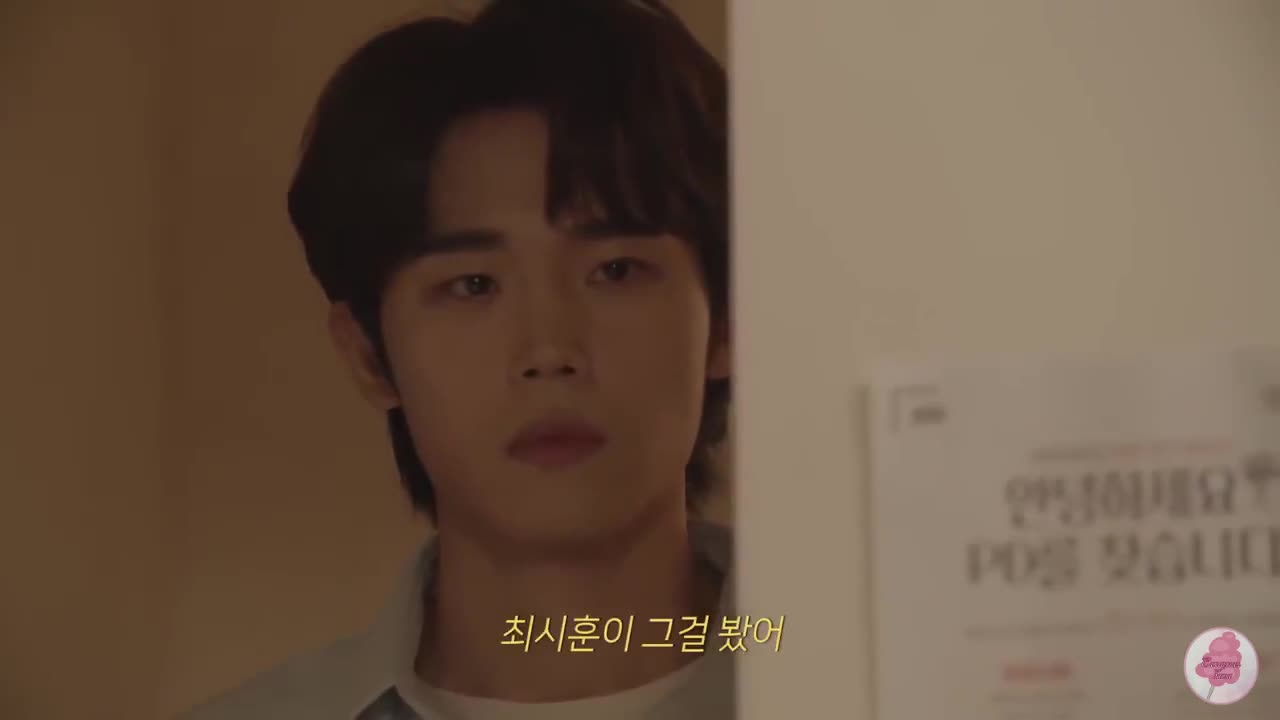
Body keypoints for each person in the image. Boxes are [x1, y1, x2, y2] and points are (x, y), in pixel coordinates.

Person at [184, 0, 732, 717]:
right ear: (369, 357)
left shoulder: (860, 678)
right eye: (473, 285)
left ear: (728, 324)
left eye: (616, 270)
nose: (549, 351)